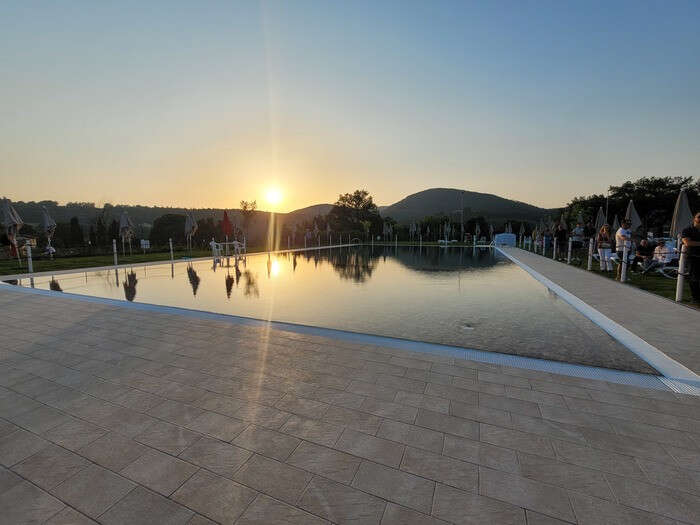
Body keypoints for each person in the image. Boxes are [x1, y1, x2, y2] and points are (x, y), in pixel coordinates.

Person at [681, 212, 700, 303]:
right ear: (694, 218)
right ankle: (695, 298)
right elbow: (687, 243)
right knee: (694, 278)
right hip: (693, 257)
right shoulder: (687, 229)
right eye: (699, 217)